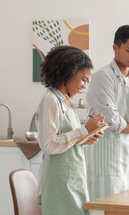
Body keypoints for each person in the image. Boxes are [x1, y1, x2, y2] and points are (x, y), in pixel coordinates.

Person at [86, 25, 129, 200]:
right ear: (115, 48)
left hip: (127, 159)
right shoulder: (103, 77)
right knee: (104, 209)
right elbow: (111, 119)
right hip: (105, 161)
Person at [35, 45, 105, 215]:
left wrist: (86, 139)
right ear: (68, 72)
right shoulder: (50, 100)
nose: (84, 86)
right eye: (83, 79)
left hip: (73, 181)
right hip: (59, 185)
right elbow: (49, 144)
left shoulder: (66, 102)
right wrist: (83, 130)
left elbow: (67, 141)